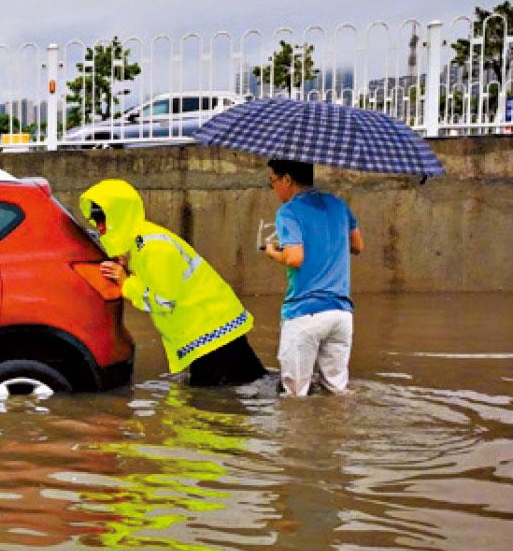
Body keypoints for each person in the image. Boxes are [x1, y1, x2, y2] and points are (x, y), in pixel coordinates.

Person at [81, 179, 266, 387]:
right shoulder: (141, 243)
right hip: (211, 333)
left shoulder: (153, 248)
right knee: (243, 391)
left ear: (120, 216)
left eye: (104, 219)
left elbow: (163, 301)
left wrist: (126, 284)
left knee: (214, 409)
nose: (101, 228)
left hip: (211, 337)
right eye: (96, 221)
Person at [262, 159, 364, 396]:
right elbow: (358, 246)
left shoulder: (288, 211)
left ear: (287, 179)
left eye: (273, 181)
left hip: (304, 313)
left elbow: (295, 258)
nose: (274, 188)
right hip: (341, 313)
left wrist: (273, 253)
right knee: (337, 393)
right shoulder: (338, 205)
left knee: (294, 398)